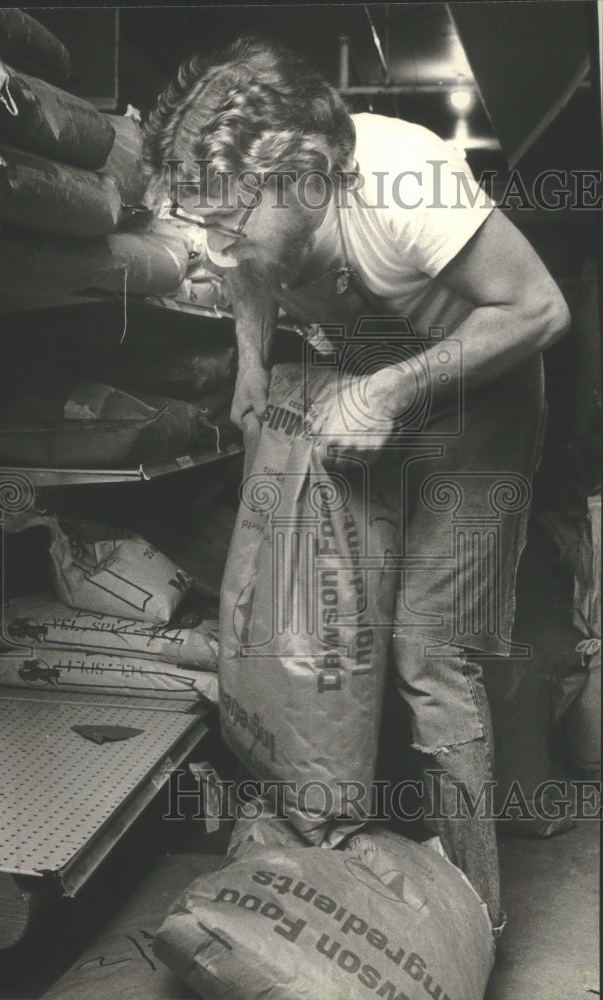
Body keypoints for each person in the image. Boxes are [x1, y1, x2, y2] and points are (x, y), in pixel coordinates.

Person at [142, 36, 570, 933]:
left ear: (303, 178)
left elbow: (540, 310)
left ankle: (472, 918)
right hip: (375, 387)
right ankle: (342, 853)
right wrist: (251, 368)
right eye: (203, 229)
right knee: (336, 622)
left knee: (429, 647)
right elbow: (255, 273)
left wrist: (391, 387)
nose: (216, 253)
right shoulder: (260, 227)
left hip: (482, 399)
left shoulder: (406, 183)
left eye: (230, 227)